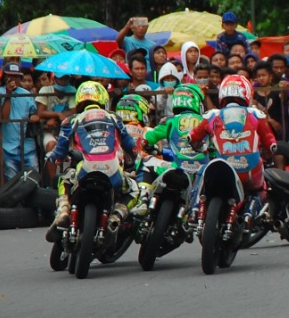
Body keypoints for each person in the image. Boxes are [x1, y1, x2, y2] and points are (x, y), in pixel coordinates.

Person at [44, 81, 139, 242]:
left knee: (65, 178)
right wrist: (131, 165)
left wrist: (53, 159)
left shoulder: (70, 121)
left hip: (85, 170)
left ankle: (64, 211)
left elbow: (59, 152)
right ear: (103, 99)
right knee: (134, 189)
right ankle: (115, 218)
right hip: (113, 171)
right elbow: (131, 147)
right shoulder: (115, 118)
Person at [188, 75, 278, 204]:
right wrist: (270, 150)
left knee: (202, 171)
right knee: (261, 188)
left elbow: (193, 136)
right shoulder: (256, 114)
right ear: (247, 93)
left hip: (223, 171)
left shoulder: (212, 115)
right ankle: (256, 209)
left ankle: (195, 209)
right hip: (251, 173)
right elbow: (270, 141)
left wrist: (199, 146)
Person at [134, 85, 209, 220]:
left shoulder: (170, 121)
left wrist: (147, 146)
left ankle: (143, 199)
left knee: (145, 162)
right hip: (202, 172)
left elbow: (147, 140)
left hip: (177, 167)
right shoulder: (207, 121)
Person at [0, 62, 39, 180]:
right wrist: (8, 94)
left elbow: (34, 113)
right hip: (6, 146)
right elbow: (4, 117)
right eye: (10, 75)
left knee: (32, 179)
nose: (13, 79)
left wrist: (34, 117)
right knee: (10, 182)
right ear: (4, 77)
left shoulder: (26, 94)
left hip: (26, 146)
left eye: (16, 76)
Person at [36, 72, 77, 154]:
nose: (63, 81)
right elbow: (40, 112)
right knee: (51, 146)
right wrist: (58, 114)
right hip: (47, 129)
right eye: (61, 79)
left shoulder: (72, 90)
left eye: (66, 78)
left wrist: (54, 117)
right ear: (54, 79)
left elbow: (73, 111)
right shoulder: (45, 90)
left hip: (67, 130)